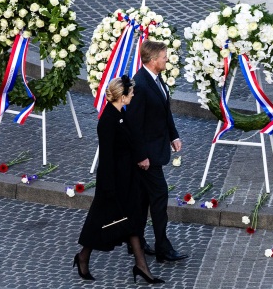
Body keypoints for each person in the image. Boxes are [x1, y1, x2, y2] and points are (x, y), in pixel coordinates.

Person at [75, 76, 163, 284]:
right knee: (100, 223)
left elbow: (131, 142)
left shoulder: (120, 113)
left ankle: (141, 266)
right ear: (122, 97)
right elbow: (106, 157)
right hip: (113, 182)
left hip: (127, 177)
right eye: (130, 92)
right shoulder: (108, 120)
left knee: (131, 221)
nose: (133, 94)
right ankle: (83, 256)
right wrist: (108, 188)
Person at [126, 39, 188, 263]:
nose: (167, 59)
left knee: (142, 199)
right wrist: (140, 155)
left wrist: (174, 135)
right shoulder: (140, 85)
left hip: (155, 149)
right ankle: (163, 247)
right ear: (153, 60)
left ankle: (136, 242)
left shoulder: (156, 78)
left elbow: (163, 109)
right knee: (160, 196)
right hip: (147, 156)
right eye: (164, 57)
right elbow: (133, 124)